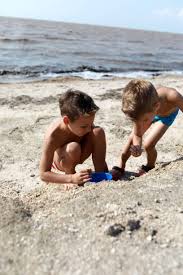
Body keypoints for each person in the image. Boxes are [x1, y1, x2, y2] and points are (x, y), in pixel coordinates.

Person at [112, 79, 183, 179]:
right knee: (131, 139)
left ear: (157, 106)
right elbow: (137, 135)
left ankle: (149, 166)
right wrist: (137, 148)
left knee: (149, 145)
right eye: (137, 121)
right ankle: (121, 164)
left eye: (143, 121)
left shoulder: (173, 96)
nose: (140, 124)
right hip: (148, 114)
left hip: (167, 115)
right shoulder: (141, 110)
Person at [40, 89, 108, 186]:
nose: (89, 129)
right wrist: (71, 178)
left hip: (79, 153)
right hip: (62, 161)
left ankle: (100, 175)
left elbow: (96, 141)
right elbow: (43, 174)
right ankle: (70, 173)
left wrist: (103, 167)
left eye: (91, 123)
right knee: (73, 147)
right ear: (66, 121)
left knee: (98, 132)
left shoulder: (83, 123)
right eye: (84, 126)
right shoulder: (53, 135)